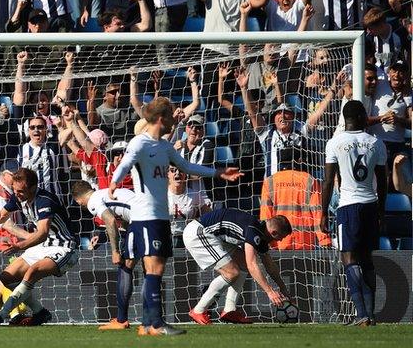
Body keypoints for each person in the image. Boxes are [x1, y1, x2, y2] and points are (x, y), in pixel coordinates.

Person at [108, 97, 243, 335]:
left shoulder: (166, 146)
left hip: (160, 217)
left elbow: (187, 167)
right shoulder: (140, 143)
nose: (175, 120)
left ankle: (148, 325)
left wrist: (218, 172)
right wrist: (114, 182)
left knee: (155, 269)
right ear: (161, 119)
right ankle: (156, 324)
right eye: (171, 116)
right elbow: (125, 164)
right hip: (146, 216)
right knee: (155, 269)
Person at [0, 168, 78, 326]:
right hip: (43, 246)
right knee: (7, 277)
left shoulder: (44, 200)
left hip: (63, 246)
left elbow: (43, 233)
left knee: (32, 272)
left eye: (21, 191)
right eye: (14, 190)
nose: (17, 194)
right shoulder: (18, 197)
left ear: (32, 188)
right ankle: (40, 312)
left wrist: (19, 246)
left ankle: (2, 315)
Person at [321, 100, 387, 326]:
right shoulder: (376, 142)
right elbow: (384, 181)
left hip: (348, 206)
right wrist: (381, 211)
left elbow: (328, 181)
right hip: (370, 204)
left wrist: (322, 213)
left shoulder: (334, 143)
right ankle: (371, 313)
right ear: (360, 117)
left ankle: (361, 313)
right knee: (367, 259)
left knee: (348, 257)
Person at [182, 208, 293, 325]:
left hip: (216, 237)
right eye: (281, 237)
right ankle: (198, 310)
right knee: (232, 273)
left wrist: (283, 288)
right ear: (274, 232)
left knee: (242, 264)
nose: (280, 240)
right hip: (198, 232)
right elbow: (252, 264)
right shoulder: (253, 230)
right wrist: (270, 292)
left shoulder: (261, 233)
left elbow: (269, 265)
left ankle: (229, 310)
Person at [72, 180, 136, 330]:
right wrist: (104, 237)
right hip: (153, 214)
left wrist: (115, 251)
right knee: (151, 269)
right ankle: (152, 320)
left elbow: (110, 219)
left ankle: (121, 320)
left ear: (78, 199)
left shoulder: (92, 201)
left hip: (141, 220)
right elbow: (125, 215)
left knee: (125, 267)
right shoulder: (105, 193)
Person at [260, 147, 332, 250]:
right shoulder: (308, 179)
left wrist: (267, 242)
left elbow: (266, 215)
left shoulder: (269, 182)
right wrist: (324, 240)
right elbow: (317, 212)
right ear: (299, 160)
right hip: (305, 242)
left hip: (279, 242)